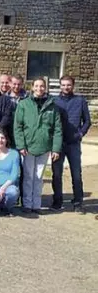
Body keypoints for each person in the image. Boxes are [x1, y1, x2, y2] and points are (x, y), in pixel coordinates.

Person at [13, 78, 62, 216]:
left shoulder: (52, 106)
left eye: (42, 86)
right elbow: (18, 127)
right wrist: (21, 145)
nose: (39, 88)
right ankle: (27, 204)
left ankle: (36, 204)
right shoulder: (23, 104)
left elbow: (57, 129)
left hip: (44, 147)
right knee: (28, 176)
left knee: (39, 177)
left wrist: (56, 148)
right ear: (32, 87)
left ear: (45, 88)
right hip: (28, 147)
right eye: (37, 86)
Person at [52, 75, 91, 213]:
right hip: (58, 143)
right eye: (63, 85)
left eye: (68, 85)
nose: (65, 87)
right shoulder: (54, 101)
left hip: (74, 143)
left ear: (73, 86)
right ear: (60, 86)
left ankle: (78, 202)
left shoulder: (80, 101)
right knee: (57, 174)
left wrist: (80, 134)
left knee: (76, 174)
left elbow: (87, 121)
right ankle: (57, 200)